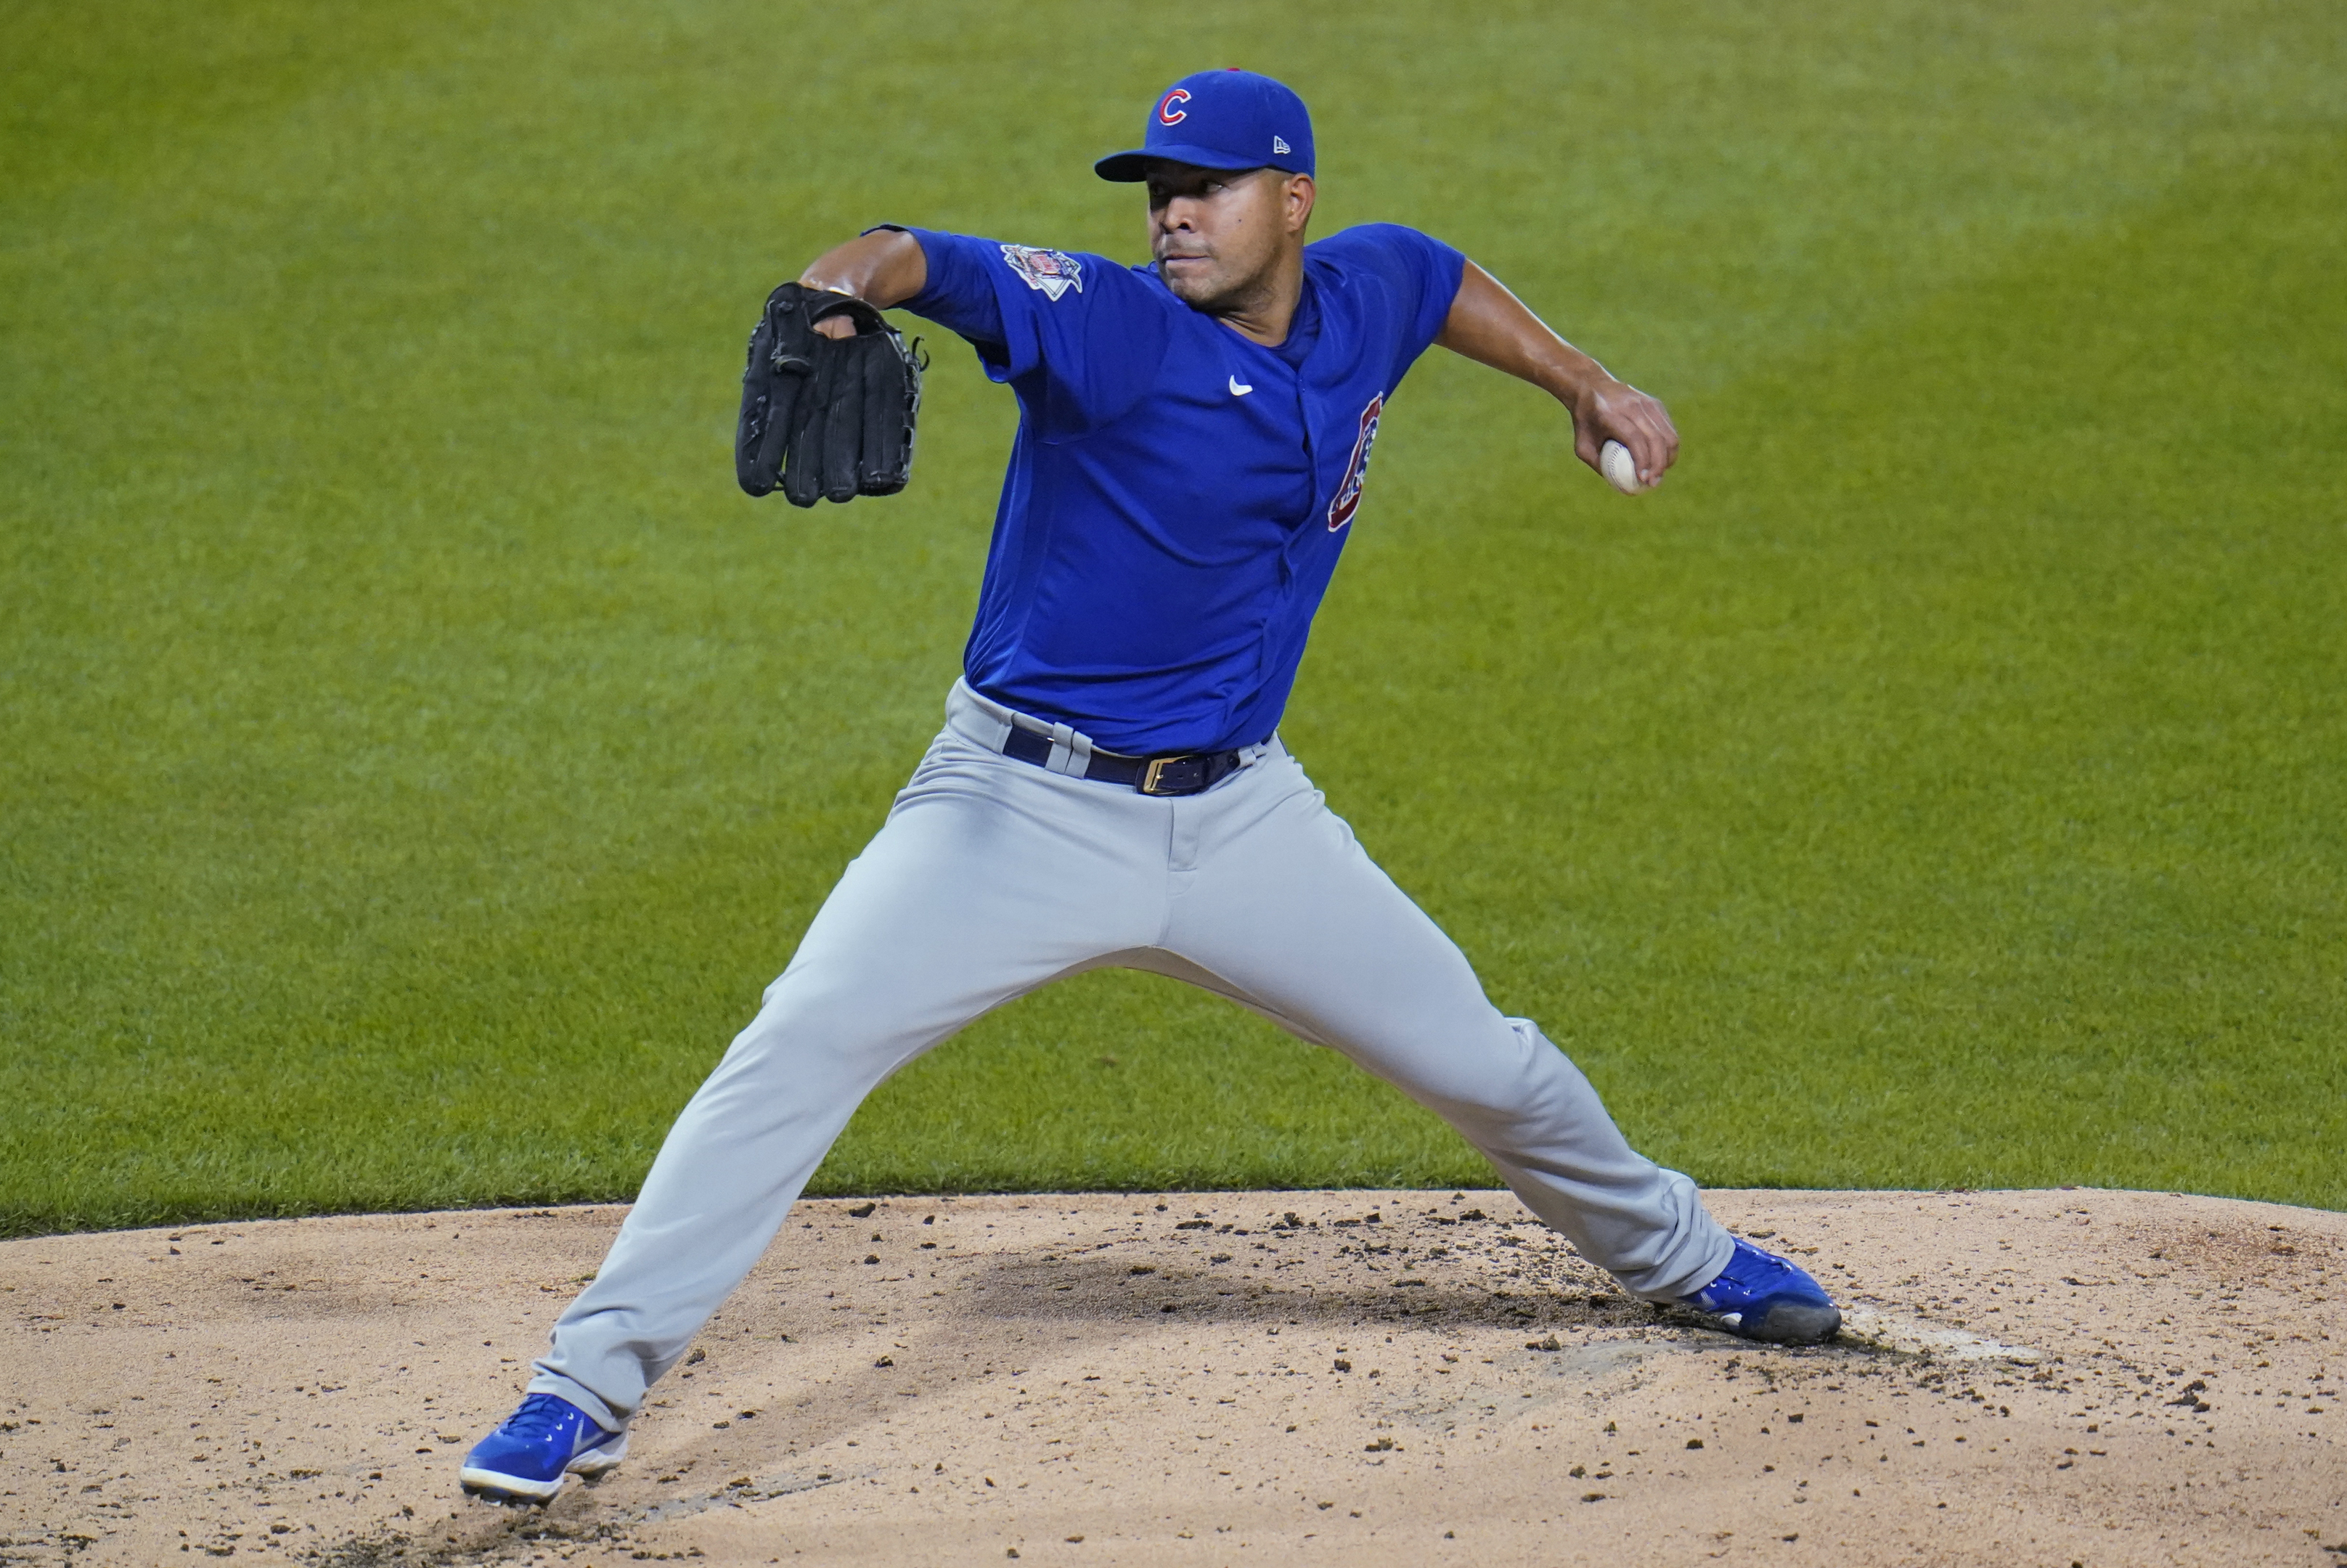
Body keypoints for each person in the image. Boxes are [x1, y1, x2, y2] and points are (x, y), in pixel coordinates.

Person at [459, 68, 1839, 1504]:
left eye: (1208, 189)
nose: (1173, 217)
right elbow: (913, 254)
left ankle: (1685, 1262)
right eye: (1158, 191)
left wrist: (1587, 382)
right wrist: (834, 298)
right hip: (1014, 812)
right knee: (799, 1044)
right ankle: (581, 1390)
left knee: (1489, 1063)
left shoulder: (1362, 295)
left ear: (1294, 201)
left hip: (1242, 822)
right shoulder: (1108, 325)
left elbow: (1436, 282)